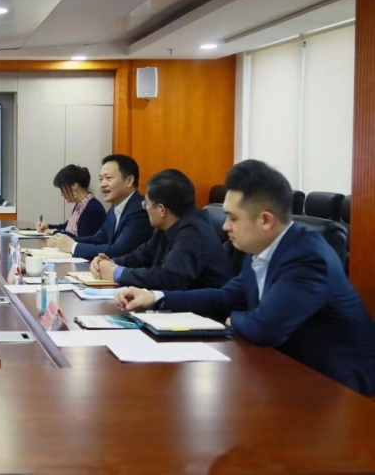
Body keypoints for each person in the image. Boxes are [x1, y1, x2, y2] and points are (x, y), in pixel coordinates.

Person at [115, 160, 375, 394]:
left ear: (265, 220)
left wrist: (233, 319)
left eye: (233, 218)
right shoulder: (260, 249)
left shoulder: (308, 258)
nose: (225, 226)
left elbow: (265, 329)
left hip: (338, 391)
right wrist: (155, 297)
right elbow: (226, 296)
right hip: (282, 374)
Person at [92, 169, 232, 290]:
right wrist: (110, 263)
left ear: (161, 210)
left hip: (202, 311)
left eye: (146, 204)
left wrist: (117, 273)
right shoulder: (166, 225)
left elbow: (168, 278)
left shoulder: (194, 232)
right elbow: (141, 256)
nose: (145, 208)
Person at [48, 154, 152, 260]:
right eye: (101, 179)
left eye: (108, 178)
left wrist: (73, 246)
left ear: (129, 180)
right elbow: (97, 239)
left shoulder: (140, 210)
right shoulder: (114, 209)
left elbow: (119, 250)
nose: (102, 184)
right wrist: (62, 241)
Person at [36, 164, 106, 238]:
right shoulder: (81, 204)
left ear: (74, 186)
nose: (61, 194)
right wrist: (48, 226)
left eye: (62, 189)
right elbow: (67, 226)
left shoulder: (92, 209)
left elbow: (83, 240)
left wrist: (55, 232)